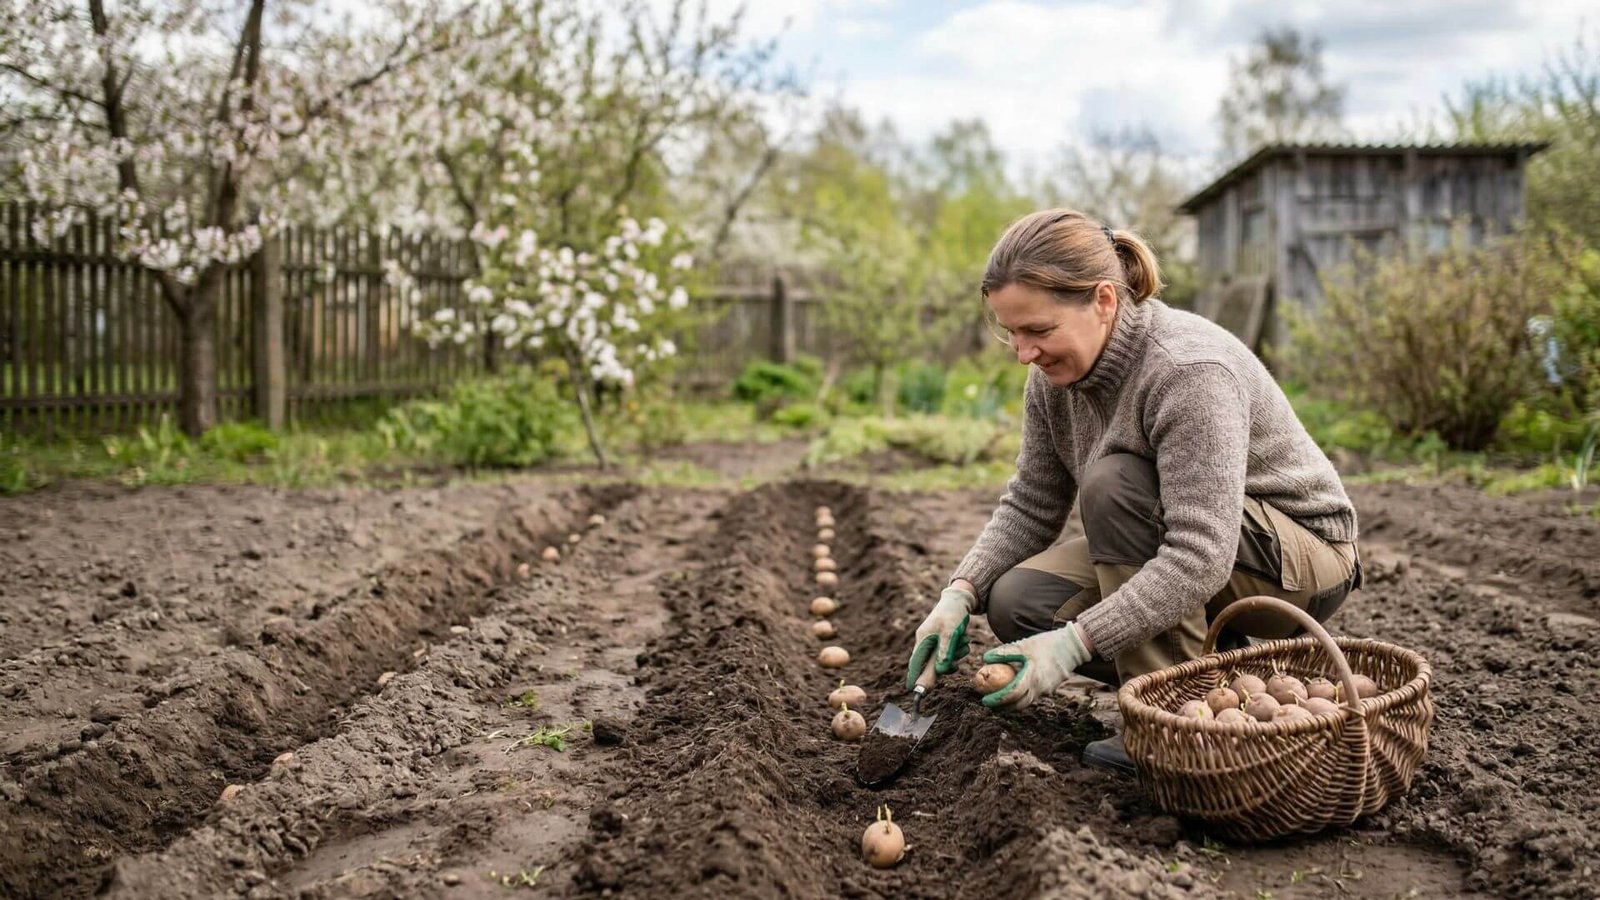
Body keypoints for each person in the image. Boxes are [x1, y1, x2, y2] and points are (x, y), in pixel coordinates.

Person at [904, 208, 1361, 775]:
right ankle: (1223, 674)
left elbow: (1201, 554)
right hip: (1208, 546)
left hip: (1300, 561)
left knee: (1116, 484)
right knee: (1020, 601)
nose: (1024, 352)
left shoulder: (1188, 371)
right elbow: (1031, 504)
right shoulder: (1051, 382)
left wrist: (1077, 642)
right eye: (1012, 332)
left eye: (1038, 331)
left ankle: (1170, 718)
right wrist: (959, 593)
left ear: (1103, 300)